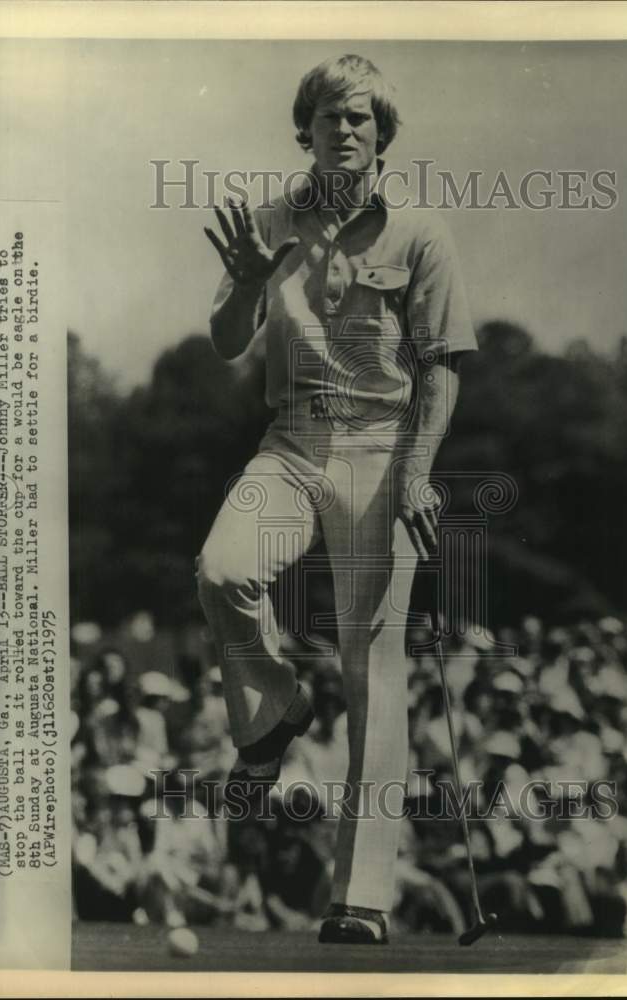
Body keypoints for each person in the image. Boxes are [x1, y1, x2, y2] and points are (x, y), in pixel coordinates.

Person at [197, 54, 477, 944]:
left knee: (372, 670)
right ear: (305, 129)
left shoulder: (421, 232)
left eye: (359, 118)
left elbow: (441, 367)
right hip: (290, 441)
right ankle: (274, 710)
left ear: (382, 133)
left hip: (380, 451)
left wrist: (419, 469)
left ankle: (361, 898)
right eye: (328, 116)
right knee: (221, 572)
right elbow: (224, 343)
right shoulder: (268, 221)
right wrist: (249, 280)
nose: (344, 130)